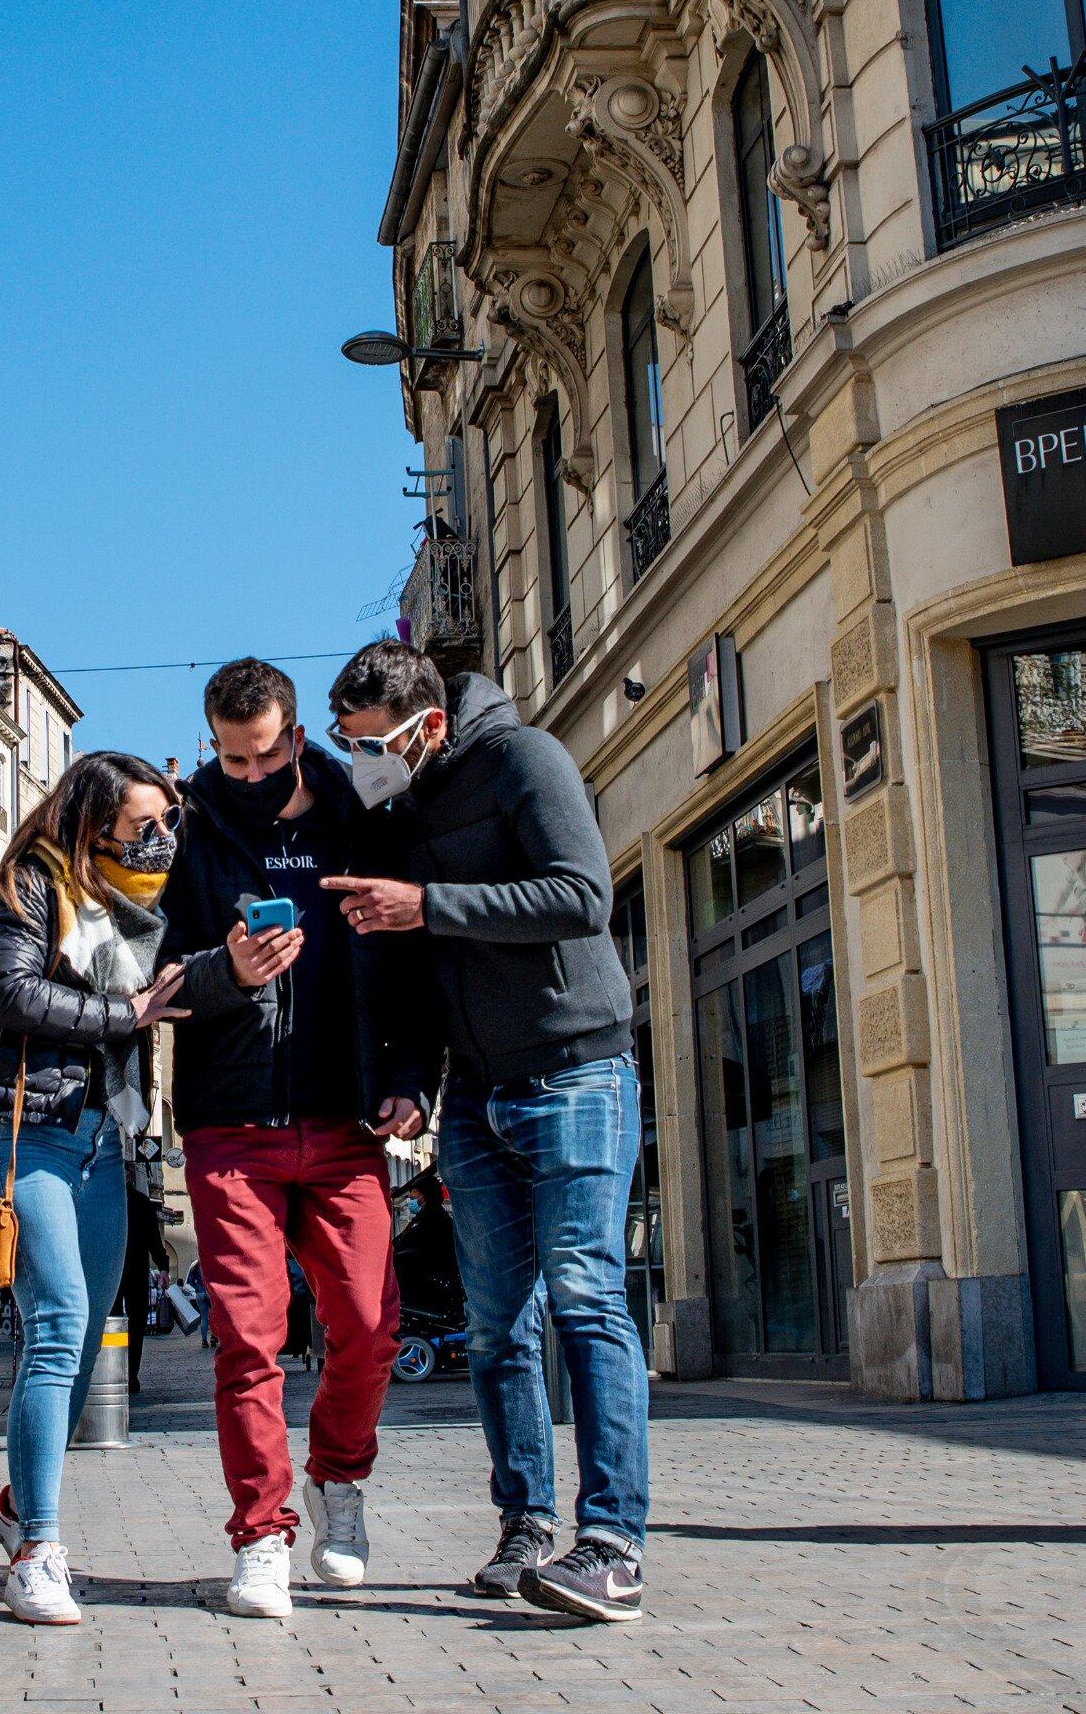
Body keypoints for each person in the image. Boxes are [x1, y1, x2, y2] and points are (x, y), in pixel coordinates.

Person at [322, 642, 650, 1625]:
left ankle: (614, 1545)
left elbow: (581, 895)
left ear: (425, 726)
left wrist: (431, 903)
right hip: (474, 1093)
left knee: (586, 1292)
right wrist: (411, 1082)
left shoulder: (526, 762)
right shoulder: (396, 816)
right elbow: (420, 973)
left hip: (576, 1067)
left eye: (371, 742)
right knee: (498, 1325)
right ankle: (525, 1531)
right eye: (348, 745)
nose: (360, 760)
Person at [154, 658, 438, 1620]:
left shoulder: (356, 820)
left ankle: (338, 1480)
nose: (245, 771)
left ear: (297, 738)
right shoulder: (183, 830)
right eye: (229, 758)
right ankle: (263, 1538)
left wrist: (407, 1078)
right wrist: (224, 970)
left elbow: (406, 960)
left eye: (263, 753)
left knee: (369, 1325)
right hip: (229, 1126)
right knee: (248, 1339)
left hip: (344, 1117)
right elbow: (150, 982)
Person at [0, 751, 188, 1626]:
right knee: (57, 1321)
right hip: (31, 1132)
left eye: (165, 823)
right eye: (143, 824)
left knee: (87, 1335)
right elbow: (12, 996)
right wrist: (126, 1015)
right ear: (94, 821)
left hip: (107, 1141)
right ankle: (39, 1550)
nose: (158, 838)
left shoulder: (136, 912)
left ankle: (19, 1502)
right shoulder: (25, 887)